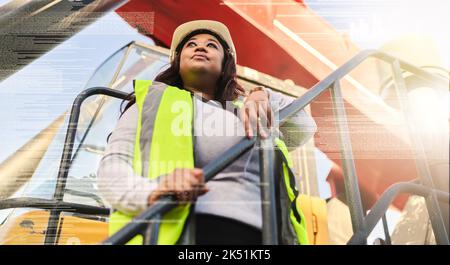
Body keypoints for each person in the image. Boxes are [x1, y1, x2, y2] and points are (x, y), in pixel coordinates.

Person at [98, 20, 317, 245]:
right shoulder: (152, 105)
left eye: (212, 45)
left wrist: (264, 95)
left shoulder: (249, 112)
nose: (200, 47)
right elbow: (112, 169)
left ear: (225, 63)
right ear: (178, 60)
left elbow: (304, 127)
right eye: (191, 44)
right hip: (196, 233)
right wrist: (153, 191)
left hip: (271, 236)